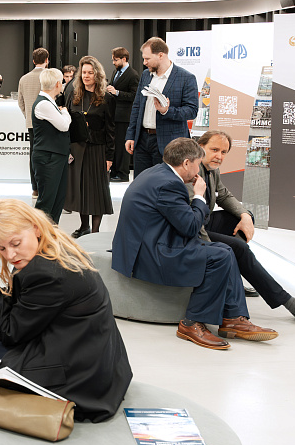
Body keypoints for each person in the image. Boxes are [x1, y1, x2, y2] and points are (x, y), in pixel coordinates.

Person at [0, 199, 132, 445]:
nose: (10, 255)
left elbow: (12, 332)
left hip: (76, 384)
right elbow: (24, 312)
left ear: (35, 228)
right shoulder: (53, 249)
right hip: (83, 360)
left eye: (15, 243)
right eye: (1, 248)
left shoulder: (48, 272)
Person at [112, 138, 278, 350]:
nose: (199, 169)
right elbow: (190, 227)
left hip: (147, 242)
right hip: (149, 254)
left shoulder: (157, 172)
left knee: (227, 251)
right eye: (198, 164)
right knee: (221, 255)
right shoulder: (170, 184)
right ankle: (192, 323)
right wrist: (199, 196)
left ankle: (233, 319)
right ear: (186, 163)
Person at [195, 131, 295, 325]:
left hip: (204, 221)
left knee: (241, 218)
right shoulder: (191, 171)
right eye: (214, 150)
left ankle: (235, 272)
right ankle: (290, 303)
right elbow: (189, 219)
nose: (219, 156)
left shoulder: (212, 170)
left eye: (224, 152)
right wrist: (215, 250)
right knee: (239, 248)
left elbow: (224, 195)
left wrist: (245, 216)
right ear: (200, 147)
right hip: (194, 231)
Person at [124, 37, 198, 178]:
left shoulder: (186, 78)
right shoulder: (146, 75)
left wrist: (167, 111)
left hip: (169, 143)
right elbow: (137, 106)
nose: (144, 62)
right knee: (141, 183)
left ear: (160, 55)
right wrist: (131, 135)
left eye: (147, 59)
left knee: (164, 183)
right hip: (142, 140)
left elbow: (192, 111)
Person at [64, 56, 115, 238]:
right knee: (81, 189)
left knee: (97, 191)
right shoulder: (74, 95)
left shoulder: (106, 98)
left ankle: (95, 231)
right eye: (84, 72)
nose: (86, 76)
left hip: (97, 149)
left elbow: (111, 129)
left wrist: (109, 157)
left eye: (90, 73)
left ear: (97, 75)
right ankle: (84, 226)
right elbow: (66, 122)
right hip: (77, 148)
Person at [32, 68, 71, 222]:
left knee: (57, 199)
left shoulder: (49, 102)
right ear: (57, 84)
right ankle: (39, 233)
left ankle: (51, 232)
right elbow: (64, 125)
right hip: (48, 157)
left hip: (55, 156)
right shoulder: (44, 104)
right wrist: (65, 112)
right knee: (47, 201)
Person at [18, 48, 49, 198]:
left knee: (34, 154)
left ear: (33, 61)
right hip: (49, 122)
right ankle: (46, 187)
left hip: (31, 123)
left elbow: (20, 102)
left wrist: (28, 116)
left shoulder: (24, 79)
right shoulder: (50, 76)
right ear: (47, 60)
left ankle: (35, 188)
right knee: (48, 154)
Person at [106, 47, 139, 182]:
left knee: (122, 146)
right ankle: (114, 171)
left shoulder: (133, 75)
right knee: (114, 144)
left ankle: (123, 173)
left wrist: (117, 92)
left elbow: (134, 96)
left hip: (124, 117)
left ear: (124, 59)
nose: (113, 62)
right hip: (114, 114)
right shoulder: (116, 72)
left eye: (115, 60)